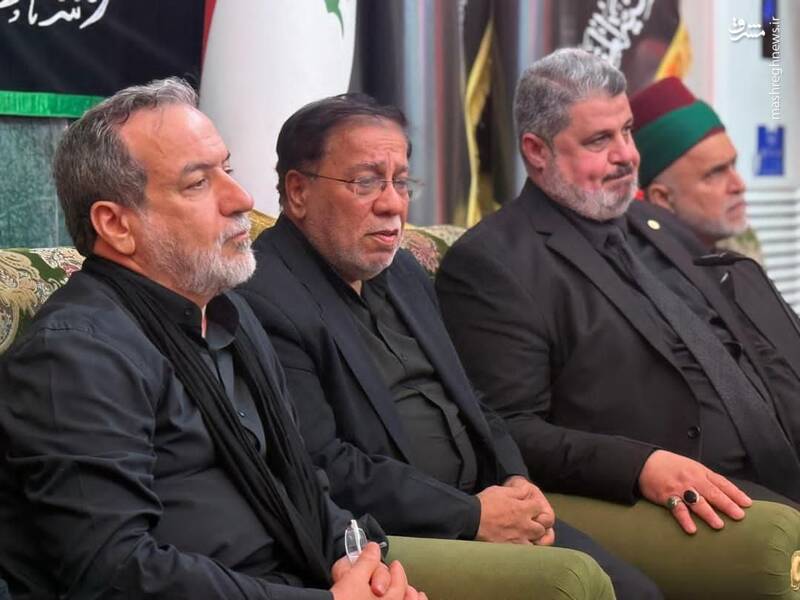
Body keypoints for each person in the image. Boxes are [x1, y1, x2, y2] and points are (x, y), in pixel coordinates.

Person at [0, 78, 424, 600]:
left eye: (228, 169)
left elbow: (300, 483)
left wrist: (360, 562)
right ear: (116, 225)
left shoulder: (231, 316)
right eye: (198, 183)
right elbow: (114, 572)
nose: (241, 199)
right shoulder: (76, 354)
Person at [239, 92, 661, 599]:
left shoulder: (404, 272)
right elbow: (323, 463)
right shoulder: (264, 297)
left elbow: (473, 401)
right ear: (298, 192)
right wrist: (473, 515)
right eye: (366, 182)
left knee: (638, 593)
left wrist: (515, 481)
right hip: (397, 537)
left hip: (486, 503)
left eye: (400, 182)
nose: (392, 204)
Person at [436, 48, 800, 537]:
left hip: (782, 454)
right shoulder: (494, 263)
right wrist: (641, 465)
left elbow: (741, 339)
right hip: (695, 494)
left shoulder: (656, 224)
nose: (627, 155)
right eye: (599, 140)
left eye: (627, 131)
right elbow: (508, 429)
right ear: (537, 151)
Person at [630, 76, 748, 250]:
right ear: (662, 198)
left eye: (733, 165)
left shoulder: (742, 251)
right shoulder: (642, 267)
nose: (739, 186)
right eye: (716, 173)